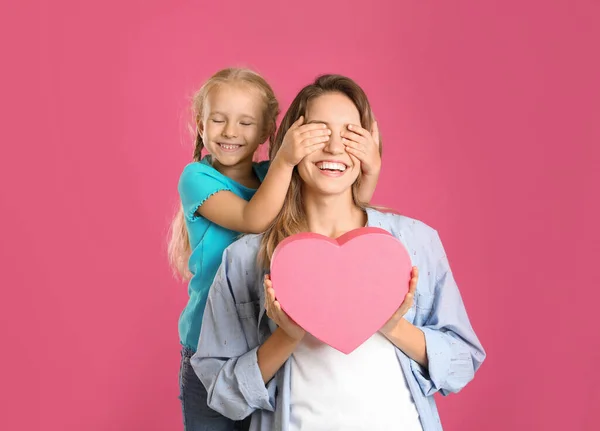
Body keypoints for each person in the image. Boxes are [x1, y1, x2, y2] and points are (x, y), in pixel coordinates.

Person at [191, 74, 486, 431]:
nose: (333, 148)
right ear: (289, 144)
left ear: (370, 143)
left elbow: (462, 361)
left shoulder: (415, 242)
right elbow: (222, 393)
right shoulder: (244, 259)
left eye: (349, 134)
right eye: (317, 132)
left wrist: (392, 325)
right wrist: (287, 334)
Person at [168, 68, 381, 431]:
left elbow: (342, 206)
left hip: (266, 339)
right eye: (218, 120)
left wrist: (371, 167)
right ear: (201, 126)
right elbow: (253, 218)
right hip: (210, 347)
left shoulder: (272, 176)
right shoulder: (197, 178)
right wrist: (285, 159)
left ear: (267, 131)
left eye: (245, 122)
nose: (230, 131)